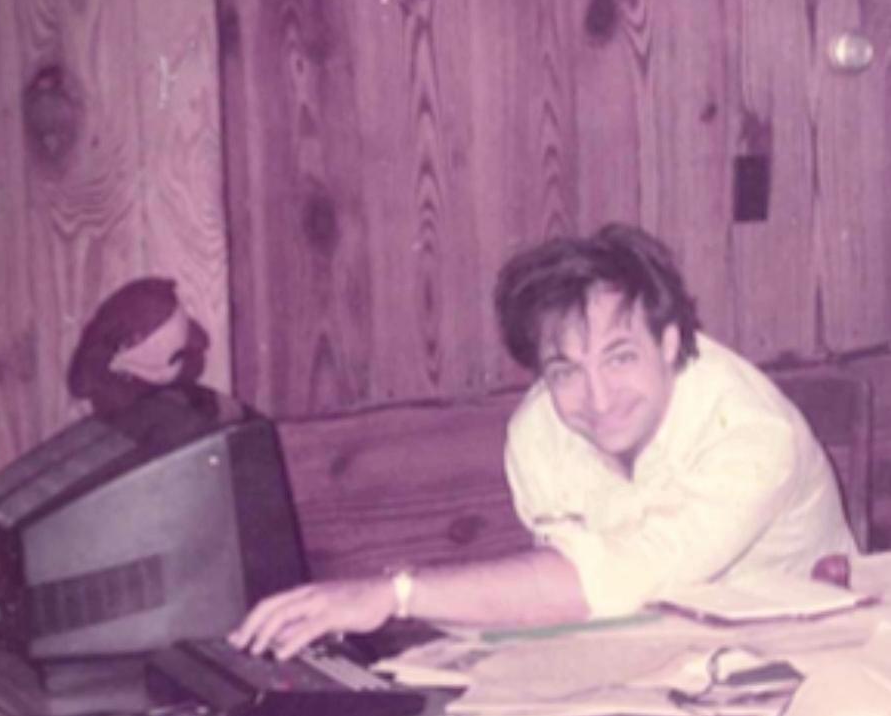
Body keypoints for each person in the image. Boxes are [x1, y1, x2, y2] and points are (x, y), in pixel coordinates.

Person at [230, 223, 854, 659]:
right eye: (566, 371)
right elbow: (566, 590)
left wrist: (395, 595)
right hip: (646, 662)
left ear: (669, 343)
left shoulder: (753, 433)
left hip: (802, 663)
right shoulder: (538, 431)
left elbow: (620, 576)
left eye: (619, 357)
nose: (598, 399)